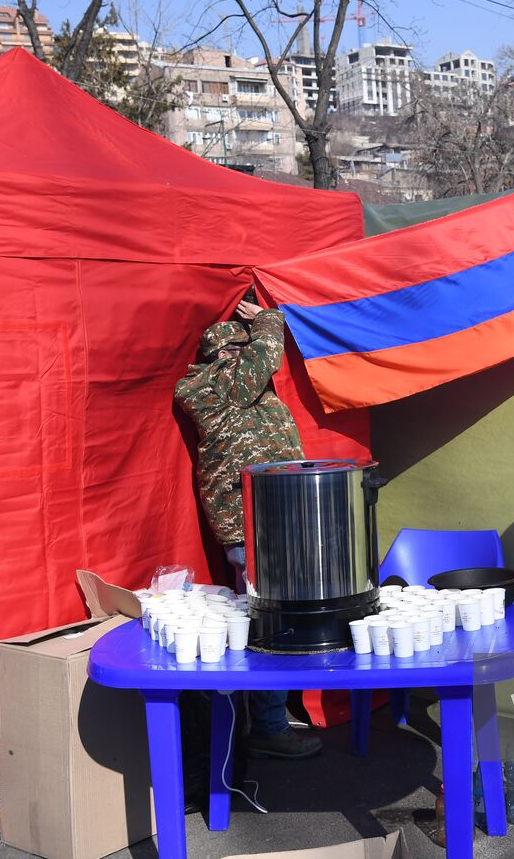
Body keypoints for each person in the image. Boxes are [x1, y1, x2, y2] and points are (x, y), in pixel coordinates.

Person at [174, 297, 322, 760]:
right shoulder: (211, 387)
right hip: (253, 532)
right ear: (225, 355)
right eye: (241, 352)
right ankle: (269, 727)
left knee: (281, 623)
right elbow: (261, 361)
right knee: (270, 628)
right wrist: (268, 321)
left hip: (279, 524)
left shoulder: (246, 392)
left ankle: (273, 716)